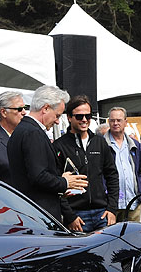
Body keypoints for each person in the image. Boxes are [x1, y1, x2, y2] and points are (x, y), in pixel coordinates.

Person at [7, 85, 87, 222]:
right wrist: (64, 182)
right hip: (39, 215)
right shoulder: (32, 133)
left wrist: (60, 186)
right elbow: (38, 176)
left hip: (30, 211)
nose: (57, 121)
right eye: (57, 116)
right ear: (45, 108)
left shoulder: (22, 130)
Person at [54, 95, 120, 232]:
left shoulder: (100, 142)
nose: (84, 120)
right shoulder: (60, 145)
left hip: (102, 213)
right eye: (79, 116)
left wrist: (112, 209)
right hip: (76, 215)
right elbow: (56, 184)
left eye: (88, 116)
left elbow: (112, 175)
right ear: (69, 117)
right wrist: (69, 216)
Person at [105, 107, 141, 222]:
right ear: (108, 122)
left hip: (132, 201)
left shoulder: (135, 145)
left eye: (119, 120)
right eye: (112, 120)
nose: (115, 123)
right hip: (111, 204)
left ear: (125, 122)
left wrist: (140, 191)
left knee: (133, 237)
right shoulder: (101, 144)